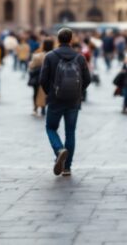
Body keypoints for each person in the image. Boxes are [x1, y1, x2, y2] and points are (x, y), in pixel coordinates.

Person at [39, 28, 92, 177]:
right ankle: (67, 167)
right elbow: (87, 79)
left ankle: (59, 149)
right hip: (73, 101)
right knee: (70, 132)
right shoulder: (79, 57)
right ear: (71, 40)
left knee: (50, 128)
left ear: (58, 39)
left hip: (55, 100)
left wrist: (50, 93)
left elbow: (43, 79)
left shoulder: (50, 56)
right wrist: (78, 92)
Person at [28, 39, 53, 116]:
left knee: (36, 93)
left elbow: (31, 65)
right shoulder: (54, 56)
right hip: (50, 78)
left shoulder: (38, 56)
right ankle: (43, 108)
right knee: (46, 93)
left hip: (38, 77)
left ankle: (35, 108)